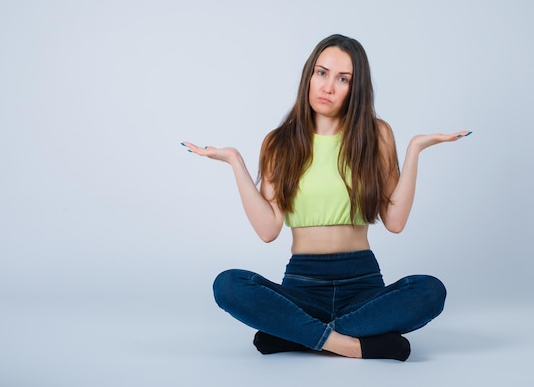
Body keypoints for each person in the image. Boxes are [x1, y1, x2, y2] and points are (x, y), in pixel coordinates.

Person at [182, 34, 470, 360]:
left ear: (355, 89)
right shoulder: (279, 143)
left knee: (430, 290)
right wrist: (235, 161)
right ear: (309, 75)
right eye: (321, 73)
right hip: (302, 287)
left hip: (363, 286)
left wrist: (415, 149)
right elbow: (268, 230)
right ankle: (354, 344)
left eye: (342, 79)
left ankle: (297, 334)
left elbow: (395, 221)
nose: (328, 87)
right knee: (229, 285)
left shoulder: (377, 135)